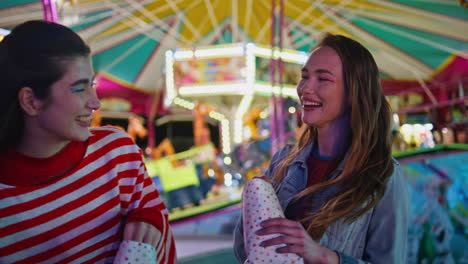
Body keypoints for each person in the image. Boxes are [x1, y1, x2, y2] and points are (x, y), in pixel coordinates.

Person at [0, 20, 176, 263]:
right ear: (31, 101)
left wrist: (150, 222)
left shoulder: (117, 153)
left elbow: (159, 229)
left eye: (91, 85)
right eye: (78, 89)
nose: (95, 103)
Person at [234, 33, 409, 263]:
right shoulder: (283, 162)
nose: (306, 87)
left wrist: (326, 257)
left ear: (353, 92)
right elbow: (245, 252)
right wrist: (252, 204)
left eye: (323, 79)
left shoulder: (383, 177)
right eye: (304, 76)